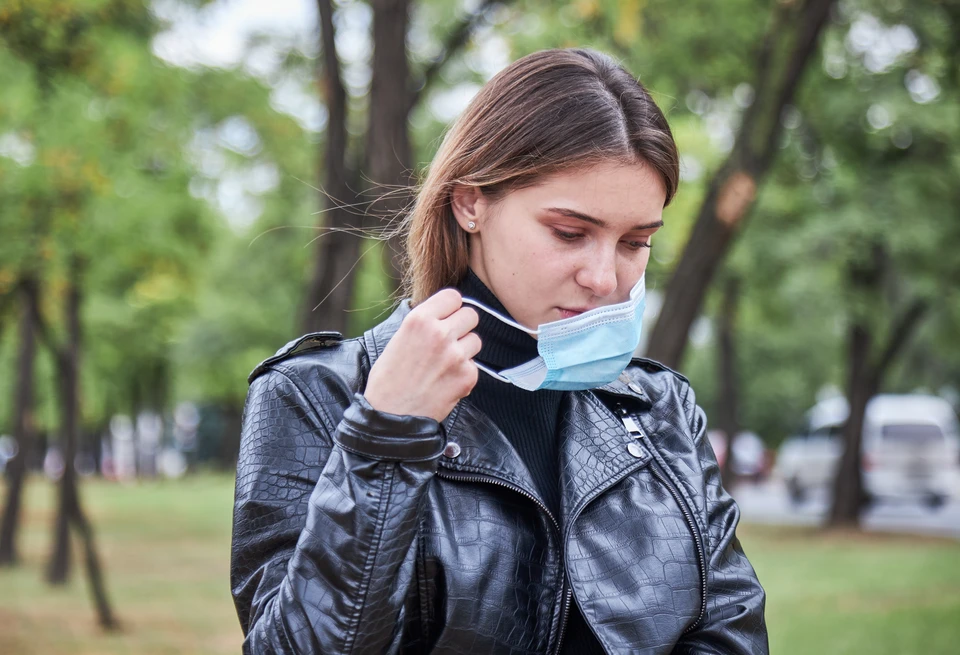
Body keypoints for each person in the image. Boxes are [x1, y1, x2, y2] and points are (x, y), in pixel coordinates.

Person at [230, 48, 768, 654]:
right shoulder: (313, 396)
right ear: (470, 203)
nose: (603, 278)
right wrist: (386, 437)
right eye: (570, 233)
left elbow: (731, 634)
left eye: (635, 242)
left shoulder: (660, 408)